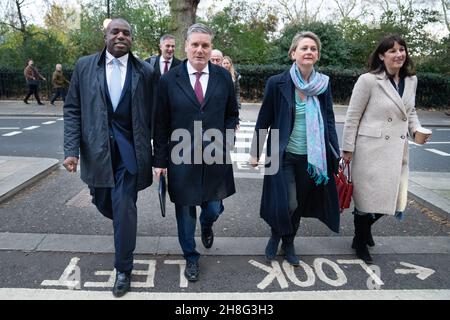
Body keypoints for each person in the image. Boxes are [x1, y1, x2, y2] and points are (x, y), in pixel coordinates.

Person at [63, 18, 154, 297]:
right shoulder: (85, 66)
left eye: (126, 32)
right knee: (105, 203)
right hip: (98, 152)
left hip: (130, 153)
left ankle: (123, 268)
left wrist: (161, 155)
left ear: (132, 39)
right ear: (105, 36)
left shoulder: (146, 72)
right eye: (115, 31)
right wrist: (71, 150)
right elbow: (73, 109)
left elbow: (157, 114)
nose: (120, 36)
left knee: (125, 206)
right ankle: (122, 226)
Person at [153, 23, 239, 282]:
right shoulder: (169, 80)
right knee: (185, 212)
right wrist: (160, 161)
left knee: (213, 207)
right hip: (181, 158)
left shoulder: (223, 77)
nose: (200, 50)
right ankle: (190, 256)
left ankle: (208, 224)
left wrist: (225, 140)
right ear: (186, 47)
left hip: (215, 157)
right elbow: (160, 124)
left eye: (205, 45)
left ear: (210, 47)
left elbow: (231, 113)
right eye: (195, 45)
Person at [249, 31, 340, 266]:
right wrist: (255, 152)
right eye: (304, 48)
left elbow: (328, 119)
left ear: (317, 55)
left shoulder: (323, 85)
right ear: (293, 54)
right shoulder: (277, 83)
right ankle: (276, 234)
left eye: (313, 48)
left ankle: (289, 242)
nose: (308, 51)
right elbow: (264, 120)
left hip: (312, 157)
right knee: (285, 201)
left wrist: (335, 153)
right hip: (283, 154)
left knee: (298, 203)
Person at [342, 34, 426, 264]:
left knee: (391, 198)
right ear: (382, 55)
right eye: (392, 51)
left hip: (396, 149)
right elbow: (353, 116)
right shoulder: (368, 80)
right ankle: (359, 241)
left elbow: (410, 111)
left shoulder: (411, 81)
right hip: (370, 149)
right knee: (366, 198)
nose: (399, 54)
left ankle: (363, 229)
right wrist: (347, 148)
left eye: (402, 49)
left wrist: (417, 129)